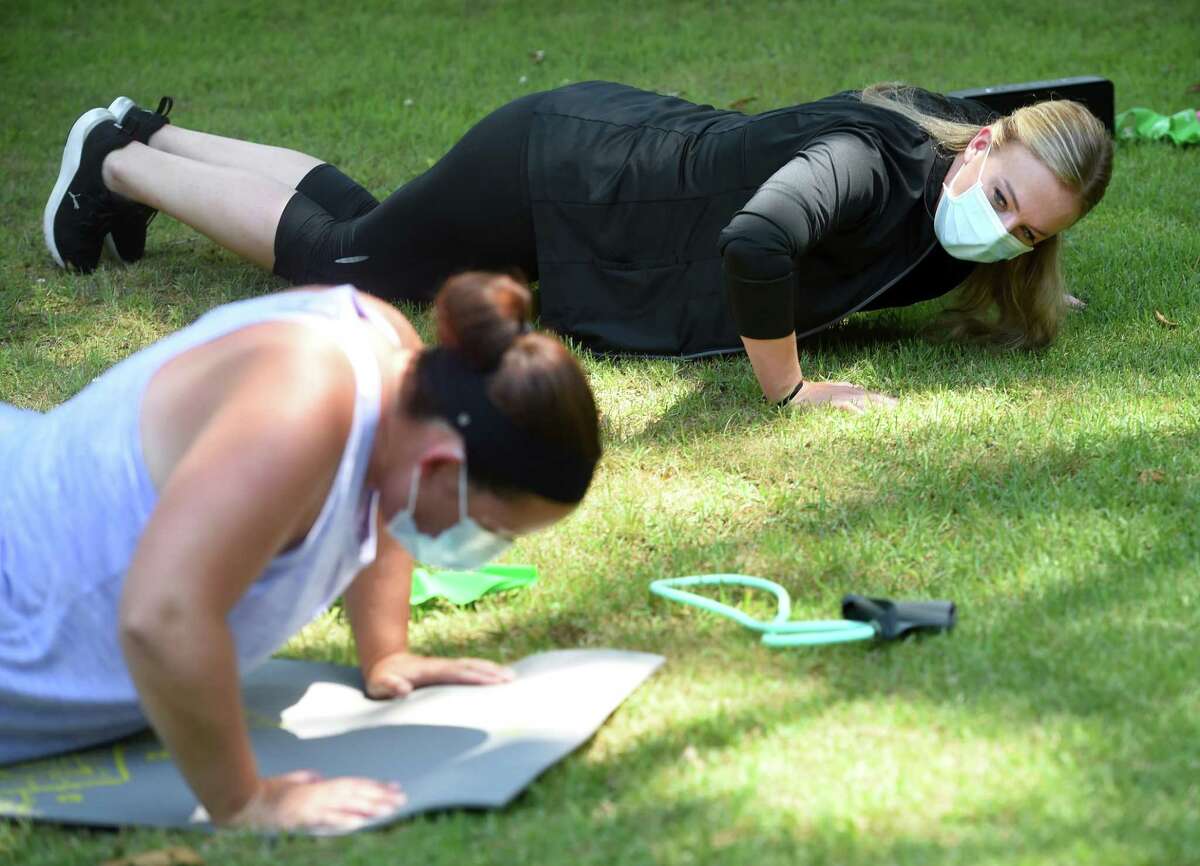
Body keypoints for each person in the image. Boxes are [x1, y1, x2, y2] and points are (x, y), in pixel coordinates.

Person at [44, 82, 1111, 411]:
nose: (1003, 228)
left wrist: (1029, 285)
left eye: (1029, 231)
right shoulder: (874, 165)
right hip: (560, 172)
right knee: (348, 263)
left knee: (371, 222)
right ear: (979, 142)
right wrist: (787, 389)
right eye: (1006, 196)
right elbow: (758, 240)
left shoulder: (962, 202)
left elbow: (994, 235)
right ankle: (115, 172)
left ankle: (146, 132)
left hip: (595, 165)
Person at [0, 272, 601, 832]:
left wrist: (386, 653)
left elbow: (384, 496)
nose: (487, 548)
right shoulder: (302, 398)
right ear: (442, 464)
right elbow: (161, 616)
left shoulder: (398, 366)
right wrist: (246, 801)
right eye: (493, 528)